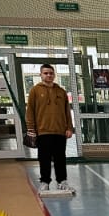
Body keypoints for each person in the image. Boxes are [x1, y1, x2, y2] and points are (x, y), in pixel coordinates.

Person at [25, 64, 75, 196]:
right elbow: (30, 111)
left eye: (51, 73)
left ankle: (62, 181)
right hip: (43, 131)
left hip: (60, 131)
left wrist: (69, 128)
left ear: (54, 75)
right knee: (44, 158)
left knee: (60, 157)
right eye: (46, 73)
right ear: (41, 75)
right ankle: (45, 182)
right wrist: (31, 129)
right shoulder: (35, 91)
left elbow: (67, 111)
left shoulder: (61, 92)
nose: (49, 75)